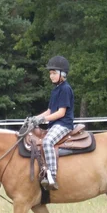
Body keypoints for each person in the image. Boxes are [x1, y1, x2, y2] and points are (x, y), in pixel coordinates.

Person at [34, 55, 74, 190]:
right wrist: (34, 118)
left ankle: (52, 175)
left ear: (63, 74)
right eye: (50, 73)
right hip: (55, 124)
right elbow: (50, 110)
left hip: (64, 124)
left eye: (54, 73)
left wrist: (42, 119)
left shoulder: (65, 89)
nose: (51, 76)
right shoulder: (56, 89)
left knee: (47, 142)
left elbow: (60, 113)